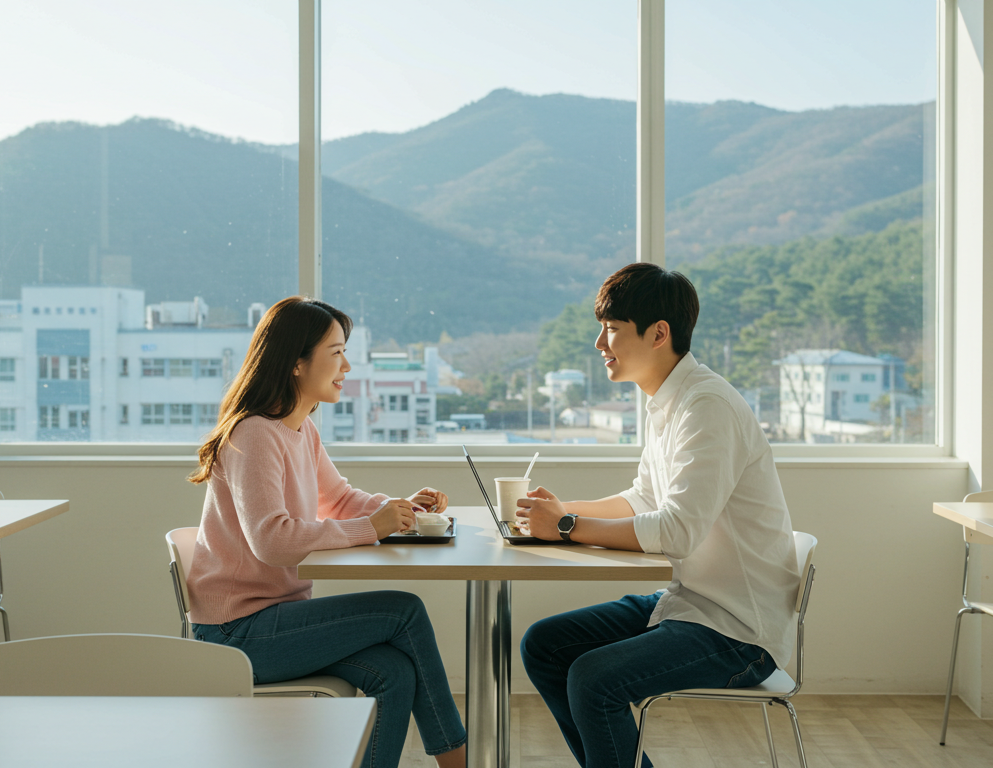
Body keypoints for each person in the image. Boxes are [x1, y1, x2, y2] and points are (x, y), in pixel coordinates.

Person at [516, 263, 801, 768]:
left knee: (592, 678)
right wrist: (557, 511)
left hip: (737, 630)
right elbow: (644, 498)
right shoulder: (668, 400)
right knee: (546, 645)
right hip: (691, 600)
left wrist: (563, 528)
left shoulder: (706, 406)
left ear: (658, 334)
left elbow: (676, 532)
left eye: (612, 330)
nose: (599, 344)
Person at [186, 296, 466, 768]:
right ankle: (460, 764)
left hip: (276, 619)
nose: (347, 365)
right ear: (297, 363)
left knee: (395, 672)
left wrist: (397, 511)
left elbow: (337, 499)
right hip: (237, 634)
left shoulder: (299, 430)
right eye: (336, 352)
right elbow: (272, 540)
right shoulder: (254, 434)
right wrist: (369, 528)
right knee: (405, 610)